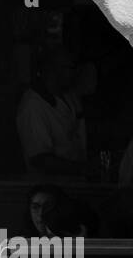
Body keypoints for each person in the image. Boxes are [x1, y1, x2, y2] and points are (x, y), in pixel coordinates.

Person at [16, 46, 87, 179]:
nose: (75, 73)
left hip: (75, 183)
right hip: (49, 186)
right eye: (70, 68)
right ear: (53, 69)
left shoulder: (70, 97)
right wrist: (82, 169)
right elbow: (40, 159)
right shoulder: (33, 105)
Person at [22, 183, 93, 238]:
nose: (41, 213)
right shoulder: (21, 244)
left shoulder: (75, 239)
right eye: (35, 207)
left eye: (48, 206)